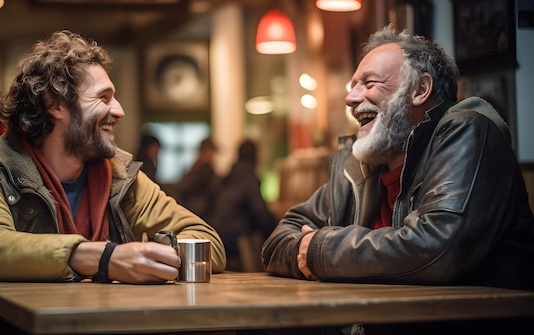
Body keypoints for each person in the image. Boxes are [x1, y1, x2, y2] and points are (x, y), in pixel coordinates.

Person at [0, 30, 226, 334]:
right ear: (55, 103)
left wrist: (157, 253)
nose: (119, 110)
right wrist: (102, 258)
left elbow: (207, 242)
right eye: (103, 97)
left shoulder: (121, 176)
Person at [261, 25, 534, 333]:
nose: (350, 98)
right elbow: (277, 242)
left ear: (420, 90)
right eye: (352, 86)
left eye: (369, 83)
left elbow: (435, 249)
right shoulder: (358, 163)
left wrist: (318, 249)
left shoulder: (470, 132)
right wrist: (312, 249)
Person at [211, 140, 276, 272]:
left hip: (218, 234)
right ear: (255, 156)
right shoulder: (249, 178)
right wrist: (277, 233)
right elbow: (260, 213)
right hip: (237, 239)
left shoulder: (228, 176)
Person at [174, 137, 219, 221]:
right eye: (212, 152)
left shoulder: (196, 168)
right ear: (206, 151)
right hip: (200, 214)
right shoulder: (204, 170)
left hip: (193, 212)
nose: (213, 156)